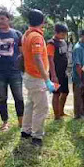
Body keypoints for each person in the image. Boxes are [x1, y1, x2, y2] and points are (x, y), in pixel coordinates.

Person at [21, 9, 56, 147]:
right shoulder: (36, 37)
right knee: (41, 108)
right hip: (37, 77)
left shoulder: (26, 34)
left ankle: (26, 130)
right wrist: (46, 79)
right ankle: (37, 136)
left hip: (29, 75)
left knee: (30, 104)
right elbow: (37, 58)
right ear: (42, 22)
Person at [47, 23, 69, 120]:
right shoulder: (51, 43)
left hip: (64, 72)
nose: (64, 36)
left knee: (65, 92)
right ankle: (56, 115)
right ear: (56, 32)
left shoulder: (63, 42)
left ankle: (61, 111)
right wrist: (53, 75)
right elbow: (50, 59)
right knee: (56, 94)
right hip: (55, 73)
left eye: (65, 34)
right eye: (62, 34)